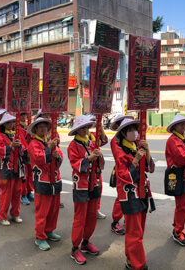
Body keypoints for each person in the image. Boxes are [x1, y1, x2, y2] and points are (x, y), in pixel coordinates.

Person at [113, 118, 154, 270]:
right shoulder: (120, 151)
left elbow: (150, 168)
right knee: (134, 232)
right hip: (129, 195)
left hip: (142, 192)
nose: (133, 132)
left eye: (134, 129)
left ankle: (130, 259)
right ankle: (138, 264)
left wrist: (147, 150)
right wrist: (136, 160)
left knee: (138, 230)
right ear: (123, 133)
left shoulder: (138, 146)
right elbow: (124, 176)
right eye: (130, 130)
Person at [67, 115, 104, 264]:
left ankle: (86, 241)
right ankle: (75, 248)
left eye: (88, 127)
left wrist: (99, 156)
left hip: (93, 183)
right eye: (84, 127)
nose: (87, 130)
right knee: (80, 218)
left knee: (91, 216)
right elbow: (75, 164)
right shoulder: (72, 146)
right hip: (81, 185)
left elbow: (100, 164)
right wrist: (89, 159)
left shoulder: (91, 143)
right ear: (77, 130)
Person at [24, 117, 64, 251]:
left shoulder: (50, 141)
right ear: (35, 129)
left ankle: (49, 230)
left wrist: (57, 156)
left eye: (45, 126)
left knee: (54, 209)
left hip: (55, 179)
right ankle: (39, 236)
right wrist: (49, 149)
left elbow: (59, 155)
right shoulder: (33, 144)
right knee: (42, 211)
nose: (43, 128)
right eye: (40, 126)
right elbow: (39, 158)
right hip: (42, 180)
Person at [165, 115, 185, 246]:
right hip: (177, 176)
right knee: (182, 205)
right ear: (174, 127)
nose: (183, 126)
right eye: (180, 124)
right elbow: (182, 158)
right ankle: (177, 231)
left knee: (184, 205)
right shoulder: (173, 140)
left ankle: (179, 227)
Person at [0, 113, 26, 225]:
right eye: (8, 123)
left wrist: (19, 146)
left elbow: (23, 150)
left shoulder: (15, 135)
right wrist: (11, 146)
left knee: (17, 191)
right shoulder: (0, 136)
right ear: (3, 125)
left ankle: (15, 213)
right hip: (7, 168)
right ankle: (2, 216)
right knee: (6, 193)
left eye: (12, 122)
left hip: (18, 167)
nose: (11, 124)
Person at [107, 114, 128, 235]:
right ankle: (115, 222)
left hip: (132, 173)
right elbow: (119, 157)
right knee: (121, 198)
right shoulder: (116, 141)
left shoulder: (133, 139)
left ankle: (127, 217)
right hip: (122, 172)